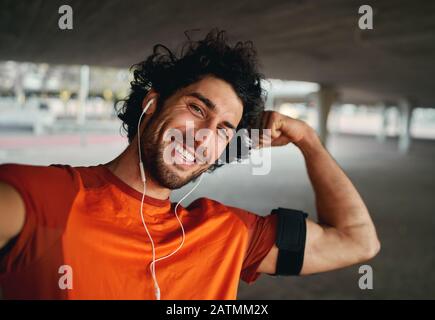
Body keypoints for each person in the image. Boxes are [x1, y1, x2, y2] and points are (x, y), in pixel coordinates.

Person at [0, 29, 380, 299]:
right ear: (151, 104)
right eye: (197, 108)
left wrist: (308, 141)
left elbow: (357, 241)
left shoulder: (227, 233)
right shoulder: (49, 198)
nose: (203, 136)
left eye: (224, 129)